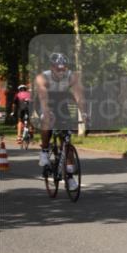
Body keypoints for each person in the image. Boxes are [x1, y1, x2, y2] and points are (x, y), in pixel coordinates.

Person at [35, 53, 86, 190]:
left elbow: (78, 95)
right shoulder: (42, 77)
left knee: (67, 140)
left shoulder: (72, 76)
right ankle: (45, 151)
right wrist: (45, 111)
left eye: (63, 68)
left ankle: (69, 177)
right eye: (58, 68)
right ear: (51, 67)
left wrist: (84, 113)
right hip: (45, 101)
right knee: (47, 120)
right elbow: (43, 96)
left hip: (61, 101)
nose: (61, 71)